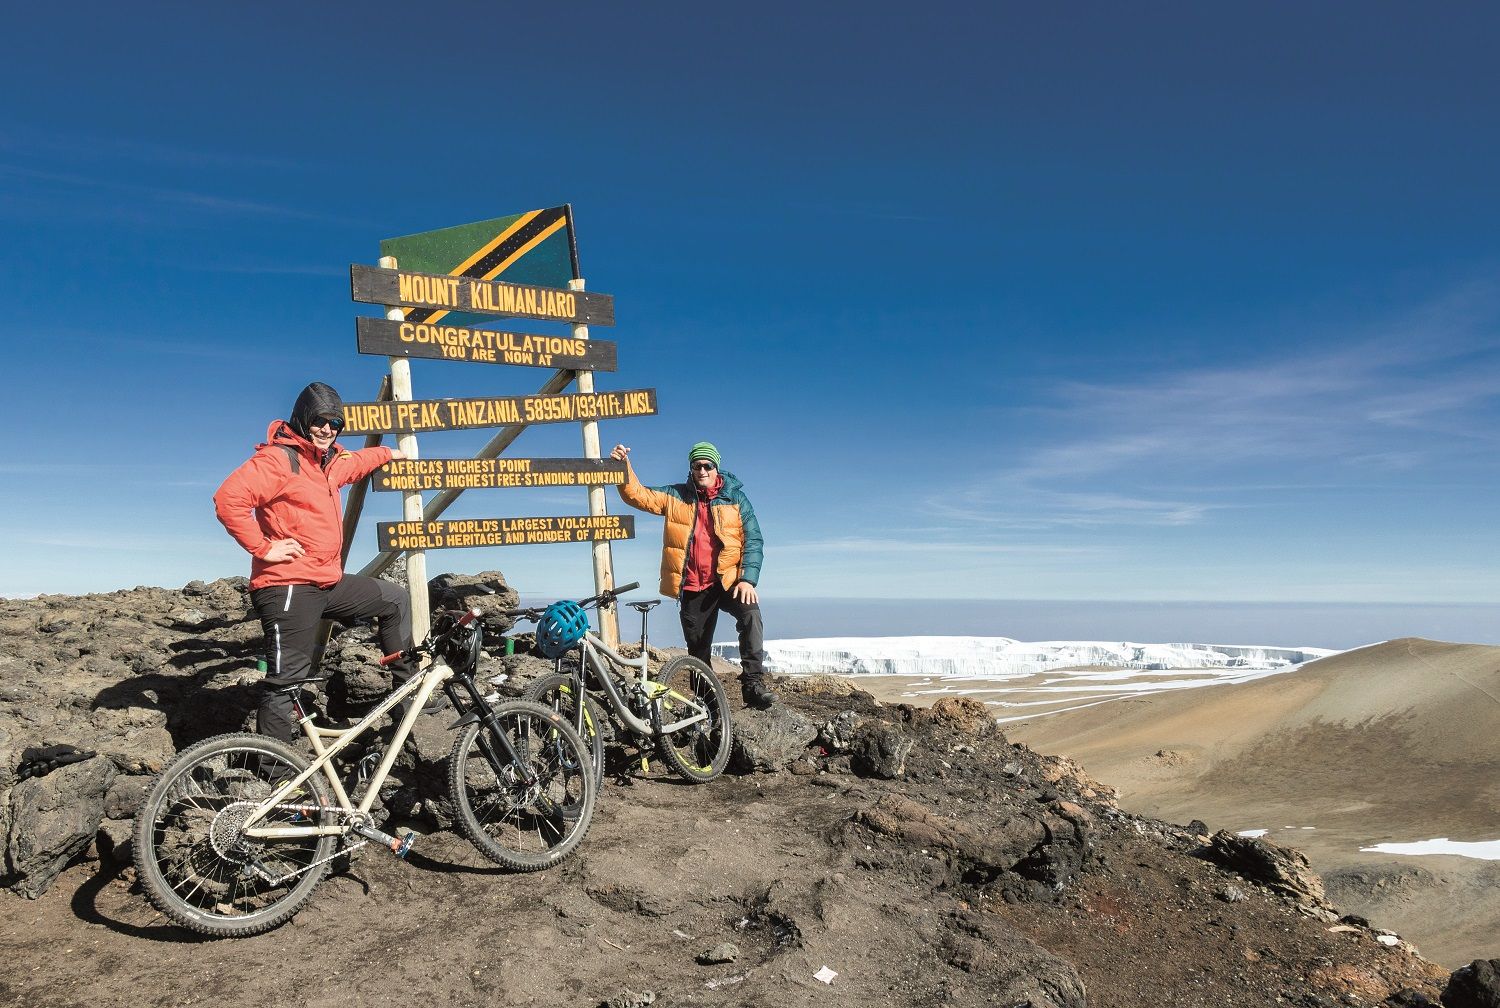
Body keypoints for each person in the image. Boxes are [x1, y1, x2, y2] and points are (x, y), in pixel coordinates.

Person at [214, 382, 415, 743]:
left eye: (335, 423)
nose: (326, 429)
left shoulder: (328, 463)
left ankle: (407, 702)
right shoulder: (278, 460)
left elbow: (357, 463)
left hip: (326, 581)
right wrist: (263, 548)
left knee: (395, 600)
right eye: (319, 420)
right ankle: (275, 768)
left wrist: (390, 453)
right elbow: (229, 499)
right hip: (287, 586)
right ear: (302, 418)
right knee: (287, 681)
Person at [610, 441, 774, 708]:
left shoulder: (736, 498)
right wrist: (622, 467)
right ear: (691, 469)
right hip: (693, 586)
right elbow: (637, 495)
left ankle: (753, 684)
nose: (702, 471)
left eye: (707, 465)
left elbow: (753, 539)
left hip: (727, 580)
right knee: (698, 653)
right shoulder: (676, 496)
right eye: (697, 466)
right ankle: (708, 707)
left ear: (716, 468)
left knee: (751, 615)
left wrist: (747, 579)